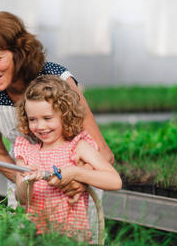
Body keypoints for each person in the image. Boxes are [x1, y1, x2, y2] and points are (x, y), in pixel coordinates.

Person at [0, 11, 114, 238]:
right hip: (29, 191)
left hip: (74, 192)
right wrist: (31, 183)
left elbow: (102, 151)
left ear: (18, 53)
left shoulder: (56, 81)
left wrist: (78, 180)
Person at [14, 75, 122, 242]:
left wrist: (75, 172)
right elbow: (22, 198)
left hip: (73, 237)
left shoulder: (78, 146)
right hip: (36, 237)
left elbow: (115, 181)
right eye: (32, 120)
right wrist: (29, 181)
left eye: (47, 118)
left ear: (64, 115)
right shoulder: (27, 151)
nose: (40, 126)